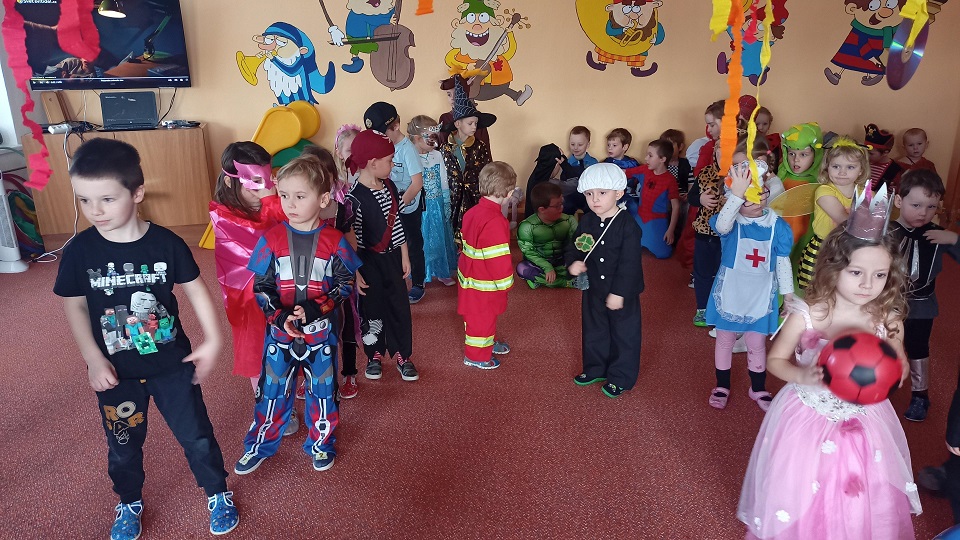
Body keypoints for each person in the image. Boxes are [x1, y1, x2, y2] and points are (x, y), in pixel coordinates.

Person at [54, 138, 239, 539]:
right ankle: (128, 501)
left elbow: (196, 290)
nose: (94, 211)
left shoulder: (166, 243)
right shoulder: (80, 251)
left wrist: (214, 340)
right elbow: (75, 305)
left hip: (172, 365)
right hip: (116, 373)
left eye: (106, 199)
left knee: (197, 436)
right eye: (84, 200)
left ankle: (217, 491)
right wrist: (93, 359)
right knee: (123, 445)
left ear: (137, 193)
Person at [737, 221, 920, 539]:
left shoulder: (887, 319)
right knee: (805, 479)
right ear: (834, 266)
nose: (868, 284)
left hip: (864, 416)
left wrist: (899, 365)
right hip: (808, 413)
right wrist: (802, 375)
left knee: (859, 481)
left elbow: (896, 359)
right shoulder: (808, 314)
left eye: (880, 275)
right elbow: (775, 361)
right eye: (856, 272)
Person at [233, 155, 361, 476]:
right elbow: (261, 287)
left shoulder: (335, 242)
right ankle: (259, 444)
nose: (290, 204)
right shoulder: (270, 239)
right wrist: (278, 316)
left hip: (321, 335)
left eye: (300, 196)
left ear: (323, 199)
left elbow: (345, 284)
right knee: (271, 391)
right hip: (280, 333)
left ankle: (322, 444)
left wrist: (318, 307)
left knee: (323, 392)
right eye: (284, 195)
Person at [209, 141, 304, 434]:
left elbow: (298, 225)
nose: (262, 190)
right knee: (261, 354)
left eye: (266, 180)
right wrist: (272, 201)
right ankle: (271, 407)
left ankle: (288, 392)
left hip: (283, 288)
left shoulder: (270, 203)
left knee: (289, 344)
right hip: (248, 298)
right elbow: (261, 237)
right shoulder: (223, 215)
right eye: (253, 184)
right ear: (230, 181)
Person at [706, 157, 794, 411]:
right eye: (747, 198)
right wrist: (736, 195)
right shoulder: (731, 222)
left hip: (760, 294)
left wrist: (788, 296)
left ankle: (758, 388)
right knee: (725, 341)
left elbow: (782, 261)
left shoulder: (777, 225)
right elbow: (721, 225)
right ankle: (722, 385)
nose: (755, 202)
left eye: (759, 195)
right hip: (731, 291)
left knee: (757, 344)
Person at [346, 129, 420, 382]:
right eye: (390, 160)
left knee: (399, 306)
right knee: (372, 308)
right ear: (372, 163)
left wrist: (405, 255)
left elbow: (397, 224)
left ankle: (403, 355)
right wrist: (355, 271)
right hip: (368, 262)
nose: (393, 164)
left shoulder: (390, 187)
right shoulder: (354, 198)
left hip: (393, 258)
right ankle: (374, 354)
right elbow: (352, 240)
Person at [566, 163, 644, 399]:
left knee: (624, 334)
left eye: (602, 193)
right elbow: (575, 246)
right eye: (589, 194)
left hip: (621, 292)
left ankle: (620, 376)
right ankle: (595, 368)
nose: (595, 199)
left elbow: (630, 263)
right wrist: (573, 262)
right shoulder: (587, 221)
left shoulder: (627, 225)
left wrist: (619, 292)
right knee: (594, 329)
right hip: (594, 288)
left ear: (618, 193)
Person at [890, 169, 960, 422]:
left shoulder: (937, 235)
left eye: (931, 207)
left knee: (917, 346)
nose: (923, 212)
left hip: (921, 305)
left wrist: (954, 239)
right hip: (887, 304)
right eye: (916, 205)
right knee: (885, 342)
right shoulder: (886, 231)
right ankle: (882, 381)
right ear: (899, 201)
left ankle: (920, 395)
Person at [300, 144, 362, 400]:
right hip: (307, 281)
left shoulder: (340, 208)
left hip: (337, 280)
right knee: (307, 328)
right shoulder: (298, 210)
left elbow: (351, 242)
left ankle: (349, 372)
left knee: (345, 325)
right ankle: (311, 376)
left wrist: (352, 270)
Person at [364, 102, 427, 304]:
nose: (378, 139)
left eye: (382, 133)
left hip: (408, 208)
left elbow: (417, 184)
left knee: (413, 244)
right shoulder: (384, 147)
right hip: (391, 206)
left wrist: (398, 206)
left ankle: (418, 283)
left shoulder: (408, 150)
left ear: (396, 126)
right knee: (393, 244)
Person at [458, 161, 517, 369]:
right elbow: (497, 259)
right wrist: (506, 283)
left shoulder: (472, 212)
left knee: (480, 317)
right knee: (481, 320)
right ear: (509, 193)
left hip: (469, 276)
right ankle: (476, 356)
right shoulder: (496, 221)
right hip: (483, 282)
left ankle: (487, 343)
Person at [796, 137, 870, 290]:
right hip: (824, 249)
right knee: (817, 291)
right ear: (827, 167)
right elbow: (845, 220)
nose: (842, 172)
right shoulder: (824, 191)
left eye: (850, 167)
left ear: (861, 170)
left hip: (852, 250)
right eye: (836, 166)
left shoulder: (866, 193)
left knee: (845, 291)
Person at [440, 76, 495, 242]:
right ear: (457, 124)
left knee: (475, 233)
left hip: (475, 198)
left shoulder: (480, 147)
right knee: (452, 234)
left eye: (476, 124)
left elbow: (487, 171)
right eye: (470, 123)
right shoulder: (445, 148)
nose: (474, 127)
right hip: (452, 199)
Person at [408, 114, 458, 287]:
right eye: (431, 137)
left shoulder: (437, 155)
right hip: (419, 207)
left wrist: (446, 202)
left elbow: (444, 180)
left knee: (439, 239)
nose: (435, 141)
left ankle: (442, 271)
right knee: (423, 241)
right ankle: (423, 274)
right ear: (417, 138)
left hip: (437, 204)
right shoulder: (410, 157)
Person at [624, 139, 680, 259]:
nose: (646, 158)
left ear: (662, 159)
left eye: (650, 155)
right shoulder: (645, 169)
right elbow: (624, 173)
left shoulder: (670, 180)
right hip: (640, 216)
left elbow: (676, 206)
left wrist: (670, 230)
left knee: (663, 254)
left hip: (657, 220)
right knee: (628, 246)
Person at [517, 182, 578, 289]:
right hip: (539, 264)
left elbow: (574, 245)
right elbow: (529, 252)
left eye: (562, 203)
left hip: (563, 262)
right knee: (522, 268)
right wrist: (547, 267)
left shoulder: (569, 220)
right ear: (542, 209)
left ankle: (542, 280)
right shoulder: (527, 226)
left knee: (587, 265)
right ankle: (566, 283)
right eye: (557, 206)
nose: (561, 208)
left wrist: (572, 262)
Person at [778, 122, 825, 251]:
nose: (796, 160)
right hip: (780, 236)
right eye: (791, 153)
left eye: (803, 154)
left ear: (816, 154)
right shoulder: (780, 176)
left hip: (805, 241)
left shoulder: (820, 181)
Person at [439, 75, 491, 151]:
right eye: (449, 94)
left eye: (456, 94)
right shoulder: (445, 118)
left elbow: (485, 147)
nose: (452, 98)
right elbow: (442, 145)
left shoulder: (477, 117)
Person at [561, 125, 599, 215]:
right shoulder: (567, 163)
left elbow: (597, 182)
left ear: (588, 145)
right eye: (572, 144)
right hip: (571, 195)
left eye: (580, 144)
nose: (575, 147)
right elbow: (563, 181)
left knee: (593, 209)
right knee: (565, 207)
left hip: (588, 195)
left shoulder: (593, 162)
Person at [523, 143, 564, 219]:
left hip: (531, 221)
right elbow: (574, 184)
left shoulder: (534, 179)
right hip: (546, 222)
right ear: (556, 164)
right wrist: (565, 164)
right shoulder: (550, 186)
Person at [864, 123, 903, 196]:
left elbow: (893, 194)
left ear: (885, 152)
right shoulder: (863, 163)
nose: (867, 155)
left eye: (871, 153)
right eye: (866, 152)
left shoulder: (894, 170)